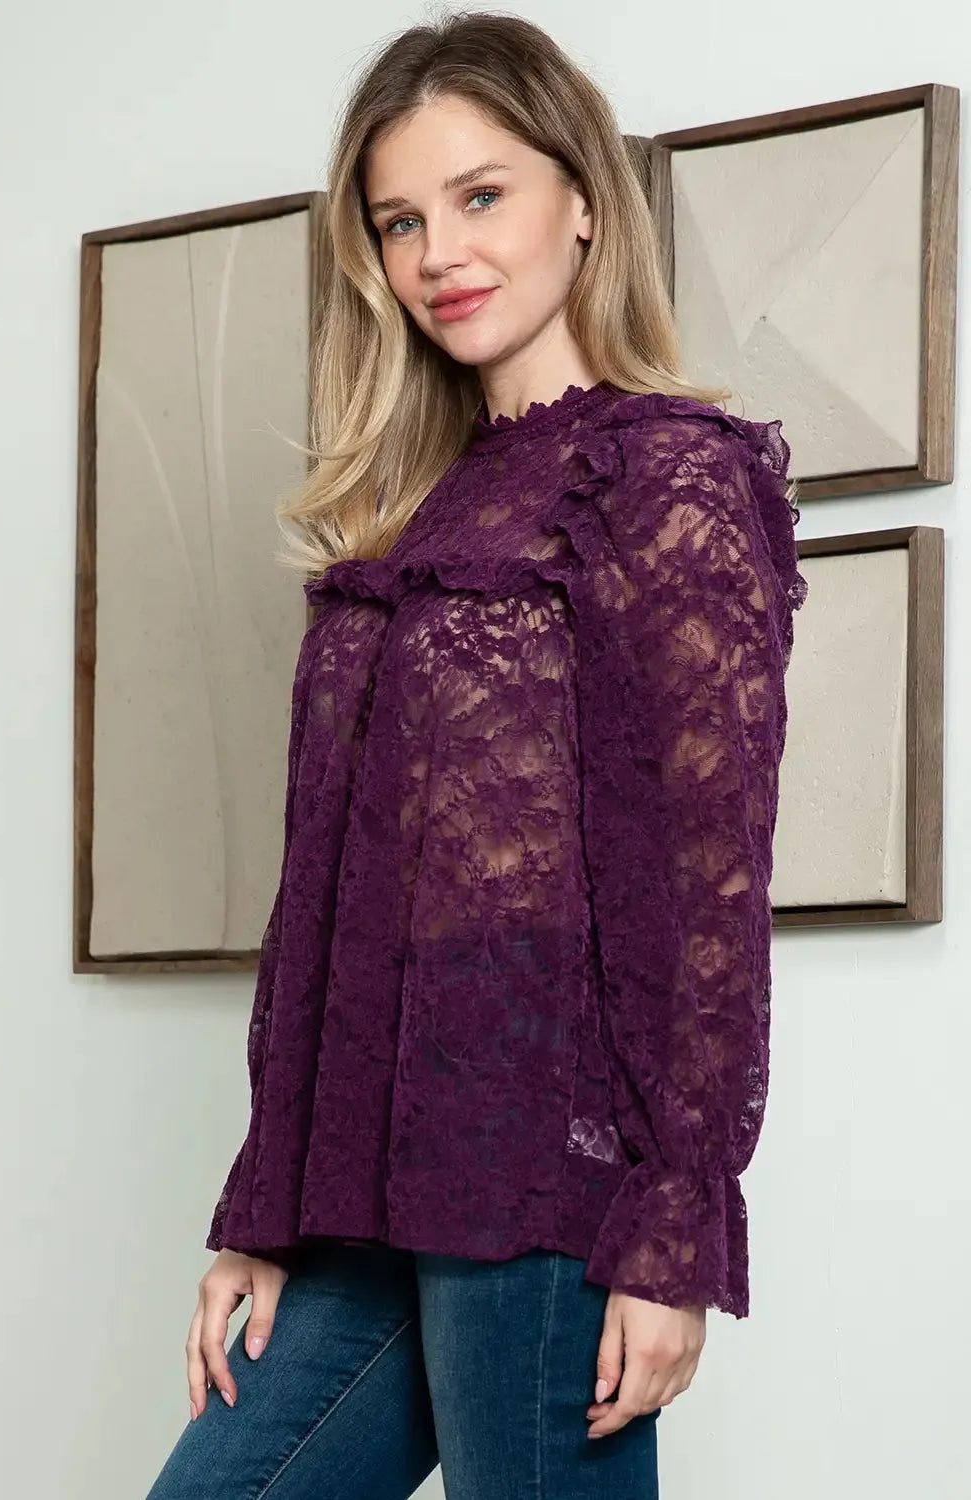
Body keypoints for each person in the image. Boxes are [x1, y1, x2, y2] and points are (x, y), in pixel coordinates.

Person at [146, 11, 808, 1499]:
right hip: (368, 1177)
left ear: (584, 200)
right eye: (400, 221)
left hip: (551, 1178)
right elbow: (324, 897)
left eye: (481, 195)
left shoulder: (668, 476)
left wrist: (674, 1227)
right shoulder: (408, 513)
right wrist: (262, 1206)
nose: (439, 252)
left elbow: (708, 880)